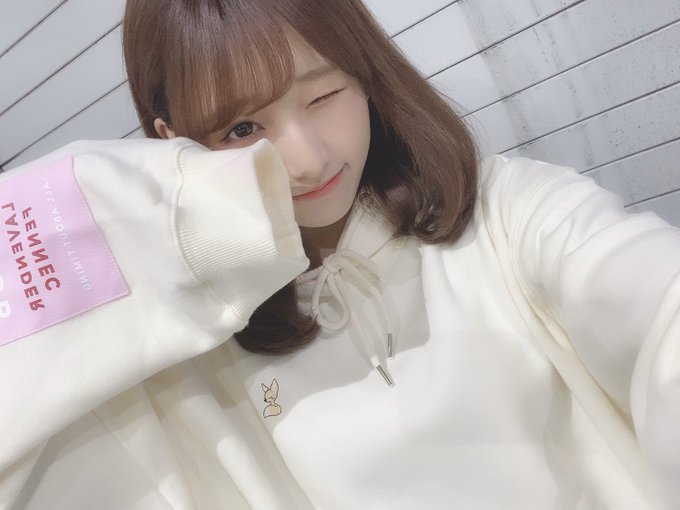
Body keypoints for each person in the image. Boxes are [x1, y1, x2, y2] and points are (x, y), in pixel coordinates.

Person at [2, 0, 680, 508]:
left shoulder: (510, 214)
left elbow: (657, 308)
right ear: (172, 142)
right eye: (242, 128)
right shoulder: (183, 372)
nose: (307, 158)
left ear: (363, 72)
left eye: (323, 95)